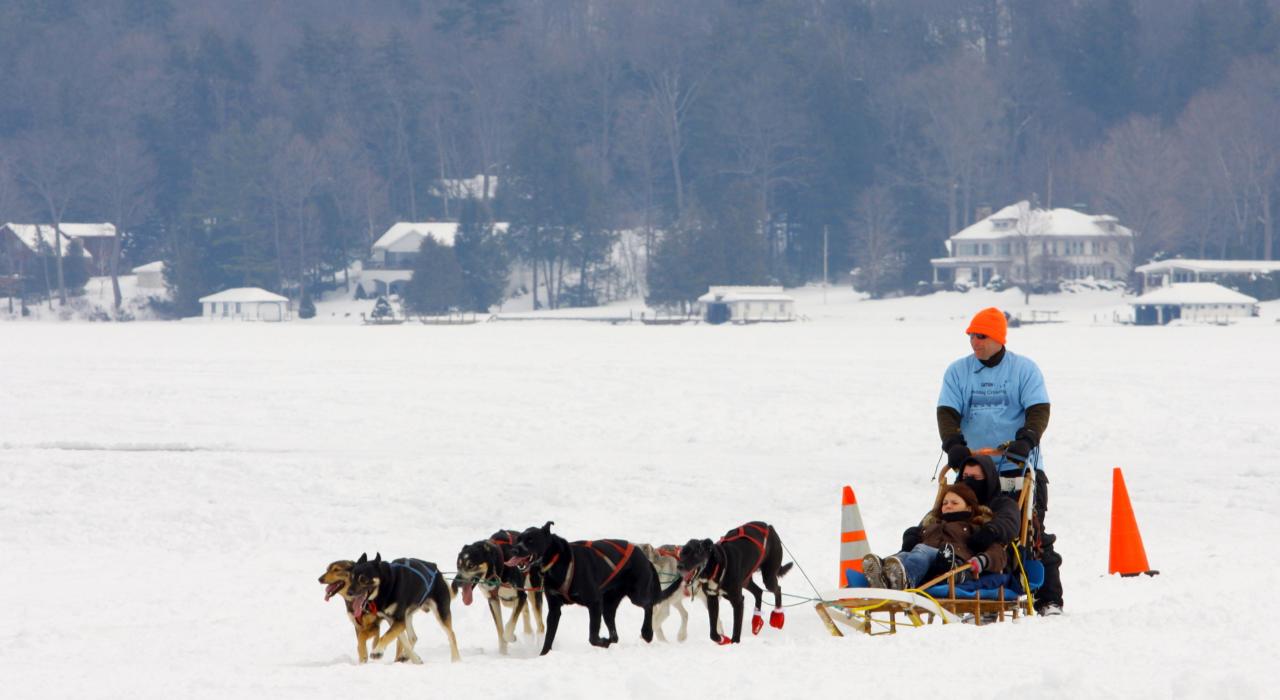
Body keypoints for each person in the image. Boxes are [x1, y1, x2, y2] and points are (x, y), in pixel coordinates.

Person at [936, 307, 1063, 615]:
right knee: (967, 527)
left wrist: (1026, 439)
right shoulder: (958, 371)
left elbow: (1038, 409)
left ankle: (1048, 598)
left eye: (981, 336)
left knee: (1029, 532)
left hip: (1019, 465)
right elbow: (948, 412)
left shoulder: (1024, 370)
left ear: (997, 338)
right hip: (975, 469)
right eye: (971, 336)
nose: (974, 342)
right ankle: (974, 589)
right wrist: (953, 444)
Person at [861, 483, 1006, 590]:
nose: (948, 506)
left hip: (954, 566)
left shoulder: (974, 528)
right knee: (904, 554)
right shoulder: (931, 526)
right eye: (945, 503)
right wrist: (911, 536)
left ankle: (906, 581)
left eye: (954, 503)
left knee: (922, 550)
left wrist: (982, 561)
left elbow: (999, 553)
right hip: (925, 566)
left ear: (969, 507)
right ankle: (882, 575)